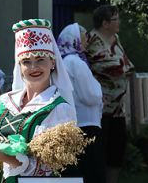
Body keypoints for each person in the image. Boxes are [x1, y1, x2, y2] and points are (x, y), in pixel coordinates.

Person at [0, 19, 77, 183]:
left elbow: (44, 167)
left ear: (52, 62)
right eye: (26, 62)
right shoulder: (5, 101)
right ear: (20, 66)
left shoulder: (59, 108)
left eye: (40, 60)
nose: (33, 68)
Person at [86, 5, 135, 183]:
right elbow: (99, 67)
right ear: (105, 23)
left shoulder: (116, 39)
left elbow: (126, 65)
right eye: (115, 19)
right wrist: (119, 69)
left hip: (118, 109)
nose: (119, 22)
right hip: (99, 111)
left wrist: (122, 69)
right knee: (100, 154)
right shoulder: (91, 40)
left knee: (116, 153)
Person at [57, 23, 105, 183]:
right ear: (75, 39)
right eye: (84, 37)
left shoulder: (62, 61)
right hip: (87, 122)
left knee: (81, 168)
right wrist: (99, 87)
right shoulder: (76, 62)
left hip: (74, 121)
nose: (86, 41)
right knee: (93, 169)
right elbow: (91, 95)